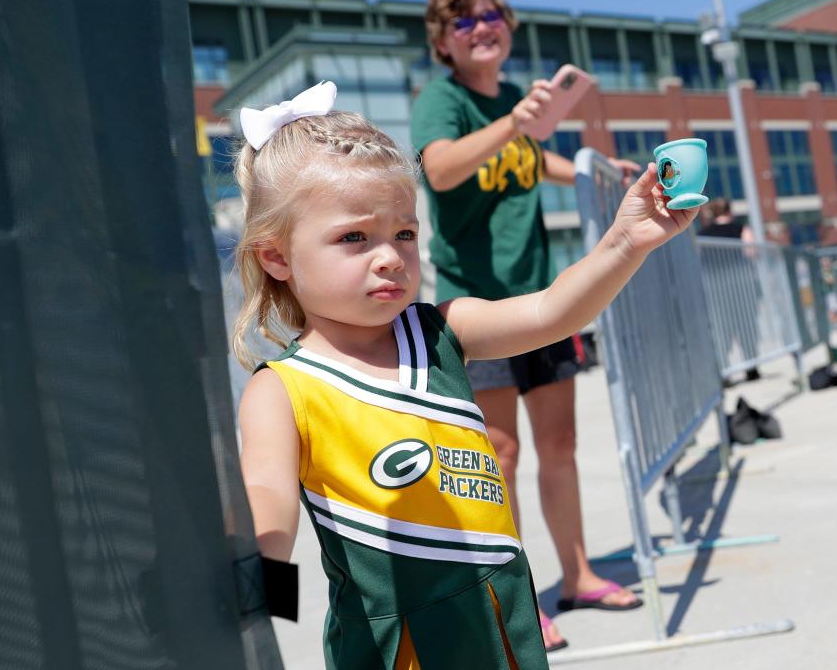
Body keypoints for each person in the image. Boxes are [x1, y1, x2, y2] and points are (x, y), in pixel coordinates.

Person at [233, 81, 697, 668]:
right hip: (394, 646)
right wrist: (259, 598)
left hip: (500, 615)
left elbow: (554, 311)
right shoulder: (281, 388)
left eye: (404, 233)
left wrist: (628, 240)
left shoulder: (442, 330)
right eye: (354, 237)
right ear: (275, 256)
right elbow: (268, 499)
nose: (390, 256)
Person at [409, 0, 643, 651]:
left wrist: (597, 169)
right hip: (477, 306)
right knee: (499, 457)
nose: (483, 28)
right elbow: (442, 168)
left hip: (543, 296)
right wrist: (512, 122)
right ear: (444, 41)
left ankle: (576, 575)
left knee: (560, 446)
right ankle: (511, 601)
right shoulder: (443, 100)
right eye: (465, 22)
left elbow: (532, 162)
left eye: (492, 17)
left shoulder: (514, 98)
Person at [697, 198, 761, 382]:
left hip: (715, 289)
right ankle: (751, 366)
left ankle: (724, 372)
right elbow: (751, 252)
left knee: (720, 329)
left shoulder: (703, 234)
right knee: (747, 325)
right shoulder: (741, 229)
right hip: (741, 286)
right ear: (729, 211)